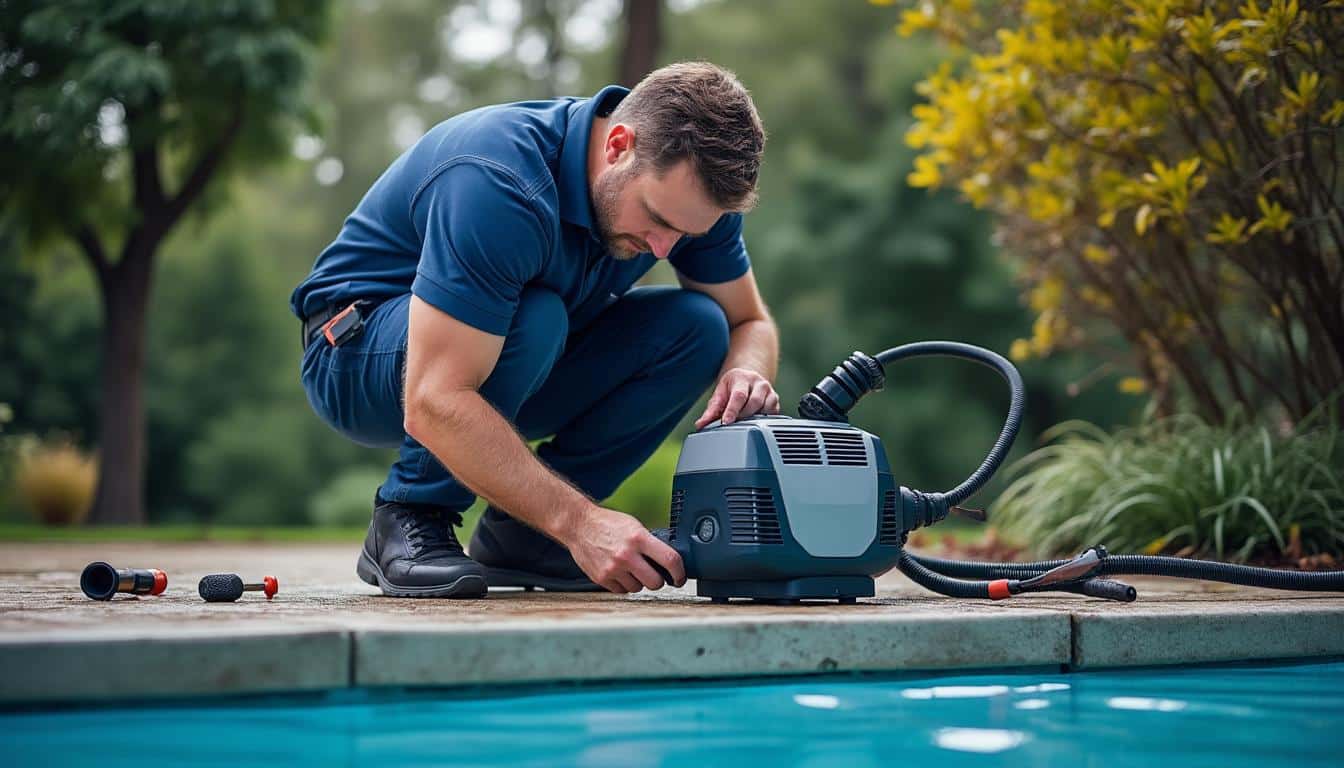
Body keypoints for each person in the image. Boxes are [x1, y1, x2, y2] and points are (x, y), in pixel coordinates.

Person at [291, 62, 777, 599]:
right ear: (618, 145)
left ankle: (526, 542)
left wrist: (747, 371)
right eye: (657, 219)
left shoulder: (692, 200)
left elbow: (749, 321)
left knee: (699, 328)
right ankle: (410, 514)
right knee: (536, 314)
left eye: (685, 233)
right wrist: (582, 522)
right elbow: (432, 399)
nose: (666, 248)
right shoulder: (499, 180)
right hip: (356, 355)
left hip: (517, 353)